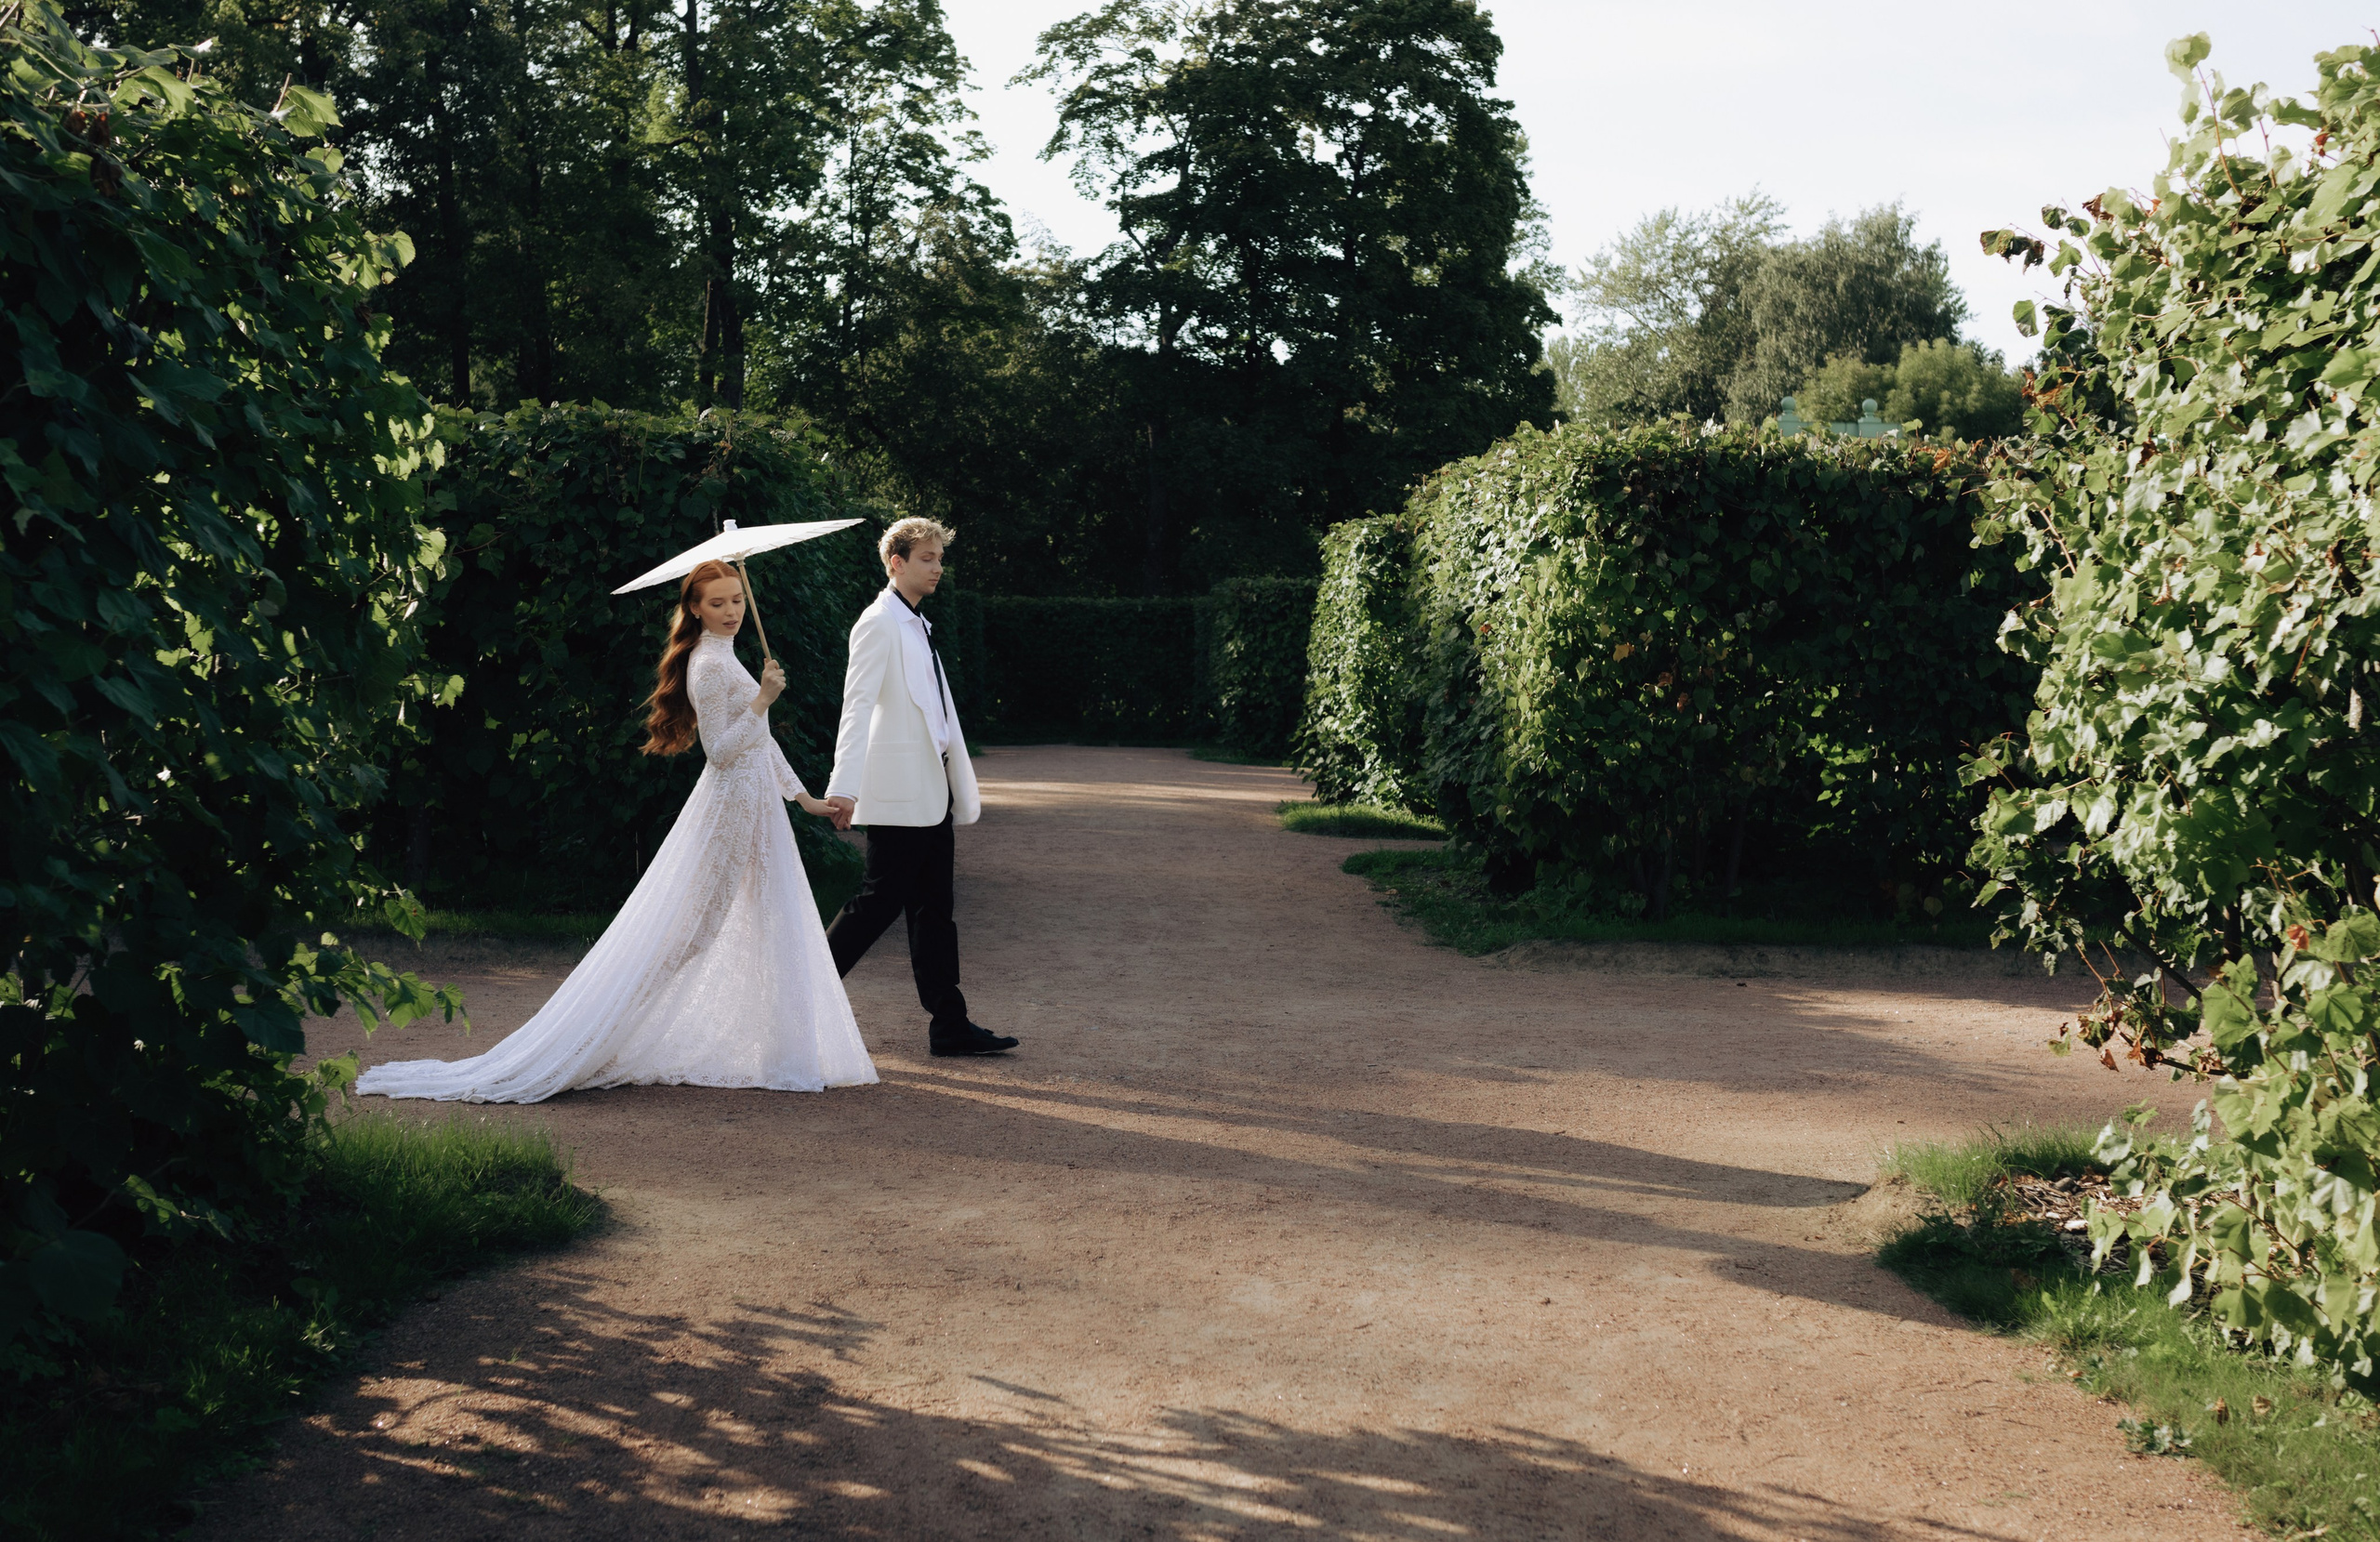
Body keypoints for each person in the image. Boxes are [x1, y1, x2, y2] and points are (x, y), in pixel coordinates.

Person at [356, 560, 878, 1103]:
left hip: (759, 809)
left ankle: (785, 1054)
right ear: (694, 608)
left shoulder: (730, 656)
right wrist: (763, 700)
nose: (731, 612)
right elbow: (720, 752)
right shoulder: (706, 664)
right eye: (718, 603)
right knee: (692, 933)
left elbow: (760, 741)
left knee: (769, 917)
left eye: (737, 600)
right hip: (729, 810)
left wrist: (803, 798)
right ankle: (598, 1035)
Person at [821, 519, 1017, 1057]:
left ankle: (949, 1025)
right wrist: (844, 787)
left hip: (930, 790)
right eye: (927, 558)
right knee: (877, 904)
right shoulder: (878, 623)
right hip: (898, 794)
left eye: (939, 559)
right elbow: (856, 708)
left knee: (934, 910)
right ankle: (799, 999)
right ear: (897, 563)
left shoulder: (916, 623)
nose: (937, 568)